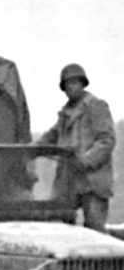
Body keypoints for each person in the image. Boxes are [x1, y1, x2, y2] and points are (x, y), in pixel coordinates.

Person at [34, 63, 116, 232]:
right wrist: (29, 150)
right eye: (67, 84)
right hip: (69, 182)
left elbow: (106, 140)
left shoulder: (96, 106)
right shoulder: (65, 113)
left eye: (74, 82)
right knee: (63, 231)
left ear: (82, 83)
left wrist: (86, 160)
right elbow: (51, 136)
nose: (70, 87)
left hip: (92, 181)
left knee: (95, 231)